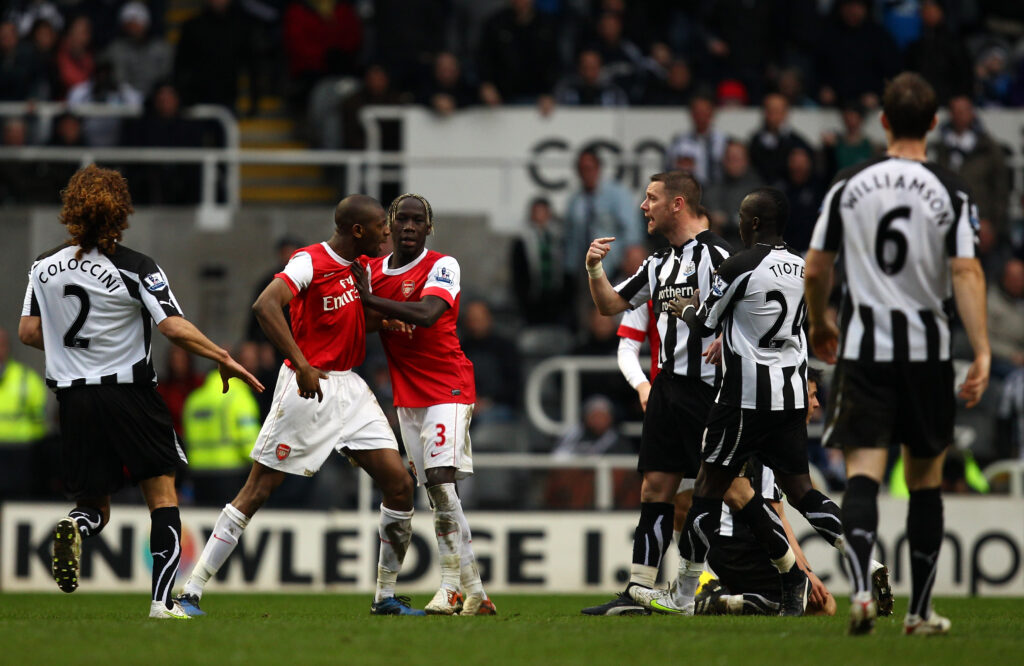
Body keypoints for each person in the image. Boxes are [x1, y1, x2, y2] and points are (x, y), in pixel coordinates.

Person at [18, 165, 262, 619]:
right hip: (130, 394)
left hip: (73, 399)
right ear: (121, 212)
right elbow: (171, 326)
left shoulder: (42, 267)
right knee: (162, 496)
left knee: (94, 505)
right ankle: (160, 603)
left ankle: (75, 526)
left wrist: (77, 347)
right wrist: (221, 356)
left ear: (71, 208)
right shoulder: (136, 267)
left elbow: (28, 332)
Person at [176, 194, 426, 617]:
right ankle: (190, 592)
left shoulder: (359, 266)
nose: (388, 231)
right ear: (357, 231)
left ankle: (384, 597)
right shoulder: (308, 261)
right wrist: (303, 361)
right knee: (257, 491)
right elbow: (265, 305)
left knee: (400, 485)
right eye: (381, 225)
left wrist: (384, 320)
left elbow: (348, 320)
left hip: (349, 387)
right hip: (308, 386)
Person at [804, 72, 989, 635]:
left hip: (864, 352)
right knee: (925, 479)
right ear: (934, 123)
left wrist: (821, 321)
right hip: (928, 355)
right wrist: (980, 350)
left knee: (862, 476)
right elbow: (965, 269)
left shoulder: (847, 183)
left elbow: (815, 267)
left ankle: (861, 590)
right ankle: (919, 611)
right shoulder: (953, 190)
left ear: (883, 121)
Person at [668, 188, 854, 617]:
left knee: (706, 491)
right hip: (790, 399)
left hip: (745, 399)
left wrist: (684, 309)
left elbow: (704, 324)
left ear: (752, 223)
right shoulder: (805, 269)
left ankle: (682, 595)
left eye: (740, 216)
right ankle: (858, 553)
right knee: (803, 491)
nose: (736, 222)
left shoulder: (739, 265)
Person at [580, 170, 731, 616]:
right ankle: (640, 591)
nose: (643, 207)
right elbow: (609, 305)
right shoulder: (658, 262)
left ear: (677, 204)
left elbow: (748, 311)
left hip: (710, 392)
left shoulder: (719, 255)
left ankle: (777, 578)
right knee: (655, 490)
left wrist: (729, 340)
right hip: (667, 389)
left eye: (651, 198)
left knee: (723, 493)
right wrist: (594, 269)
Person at [351, 192, 496, 616]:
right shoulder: (373, 271)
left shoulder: (442, 265)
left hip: (448, 386)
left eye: (418, 221)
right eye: (403, 220)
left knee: (438, 480)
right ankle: (476, 593)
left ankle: (450, 586)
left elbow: (429, 313)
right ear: (389, 227)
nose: (410, 227)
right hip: (408, 396)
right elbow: (361, 320)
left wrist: (371, 301)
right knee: (439, 493)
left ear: (428, 228)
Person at [182, 365, 262, 505]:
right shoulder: (239, 397)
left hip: (198, 473)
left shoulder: (193, 400)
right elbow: (248, 439)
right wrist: (260, 465)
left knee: (204, 521)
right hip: (231, 473)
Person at [0, 325, 48, 499]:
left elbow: (40, 422)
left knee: (17, 501)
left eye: (1, 345)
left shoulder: (26, 379)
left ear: (8, 348)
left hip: (20, 455)